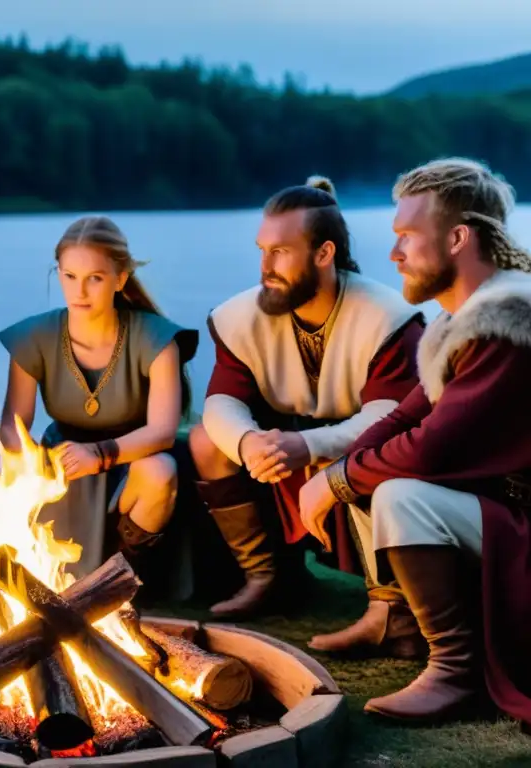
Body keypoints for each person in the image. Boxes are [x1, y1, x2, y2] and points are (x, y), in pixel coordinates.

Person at [299, 158, 531, 726]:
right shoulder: (467, 320)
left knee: (401, 493)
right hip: (506, 511)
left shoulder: (508, 325)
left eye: (407, 237)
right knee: (369, 467)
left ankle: (456, 672)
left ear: (457, 238)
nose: (394, 254)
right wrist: (333, 467)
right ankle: (395, 617)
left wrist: (338, 481)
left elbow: (431, 447)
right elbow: (407, 415)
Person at [188, 176, 426, 631]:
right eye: (262, 249)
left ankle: (389, 606)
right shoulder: (240, 317)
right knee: (206, 442)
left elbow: (390, 418)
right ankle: (267, 576)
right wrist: (248, 443)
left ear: (324, 254)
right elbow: (221, 401)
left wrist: (309, 444)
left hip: (359, 445)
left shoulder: (387, 317)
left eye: (280, 252)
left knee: (388, 459)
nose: (265, 266)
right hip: (282, 445)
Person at [0, 216, 198, 584]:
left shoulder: (155, 338)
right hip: (65, 463)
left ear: (120, 279)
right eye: (70, 276)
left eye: (96, 278)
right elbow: (14, 424)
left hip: (134, 457)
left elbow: (163, 432)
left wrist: (99, 454)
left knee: (160, 469)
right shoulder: (32, 336)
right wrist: (31, 460)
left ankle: (128, 580)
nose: (80, 292)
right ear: (58, 273)